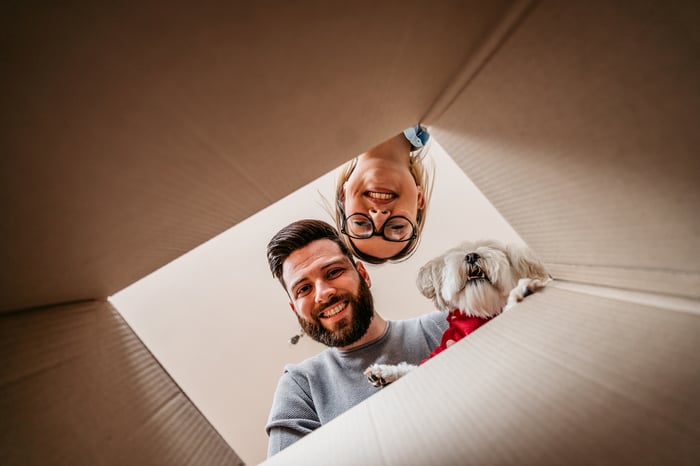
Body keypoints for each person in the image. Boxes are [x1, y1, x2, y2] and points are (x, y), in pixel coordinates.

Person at [265, 219, 448, 457]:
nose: (323, 293)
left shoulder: (443, 326)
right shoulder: (301, 386)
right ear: (295, 309)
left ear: (363, 274)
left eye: (333, 272)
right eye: (304, 289)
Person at [333, 124, 435, 264]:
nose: (378, 216)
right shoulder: (438, 120)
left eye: (361, 223)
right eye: (397, 227)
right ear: (419, 199)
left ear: (342, 194)